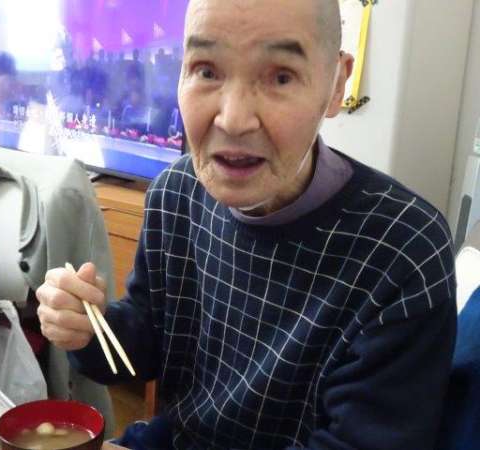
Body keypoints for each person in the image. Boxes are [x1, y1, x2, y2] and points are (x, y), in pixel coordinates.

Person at [36, 1, 456, 448]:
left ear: (336, 85)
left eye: (280, 77)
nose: (233, 120)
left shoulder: (403, 250)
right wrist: (87, 329)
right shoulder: (176, 193)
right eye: (207, 71)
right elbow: (145, 344)